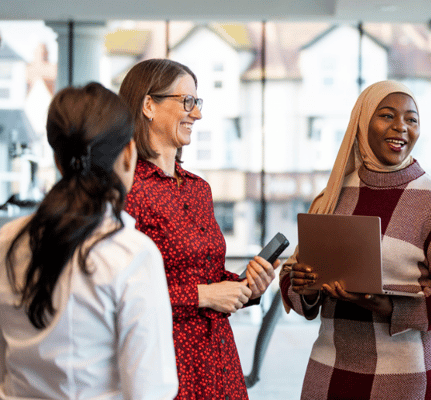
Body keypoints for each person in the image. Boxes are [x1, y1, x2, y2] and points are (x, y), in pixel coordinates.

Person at [280, 80, 431, 400]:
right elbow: (293, 274)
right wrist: (303, 286)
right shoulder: (332, 195)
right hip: (330, 367)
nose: (401, 127)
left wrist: (390, 307)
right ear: (361, 123)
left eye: (411, 119)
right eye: (386, 116)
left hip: (405, 374)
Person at [0, 82, 178, 399]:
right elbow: (149, 390)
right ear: (128, 154)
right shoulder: (131, 254)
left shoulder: (7, 242)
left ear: (57, 161)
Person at [119, 59, 276, 399]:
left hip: (219, 360)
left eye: (197, 102)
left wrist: (248, 287)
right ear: (149, 105)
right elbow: (121, 296)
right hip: (166, 364)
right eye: (186, 102)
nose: (197, 114)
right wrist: (203, 296)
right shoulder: (128, 190)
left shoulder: (198, 188)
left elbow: (207, 277)